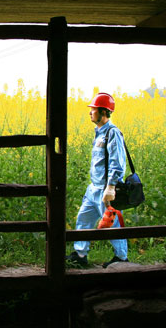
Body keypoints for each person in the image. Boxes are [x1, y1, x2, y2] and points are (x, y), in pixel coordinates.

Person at [66, 92, 129, 268]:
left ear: (103, 112)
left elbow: (117, 161)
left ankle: (121, 258)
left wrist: (111, 187)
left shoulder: (112, 133)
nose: (90, 112)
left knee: (113, 224)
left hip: (105, 190)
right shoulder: (99, 133)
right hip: (93, 188)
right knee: (84, 219)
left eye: (93, 109)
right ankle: (80, 254)